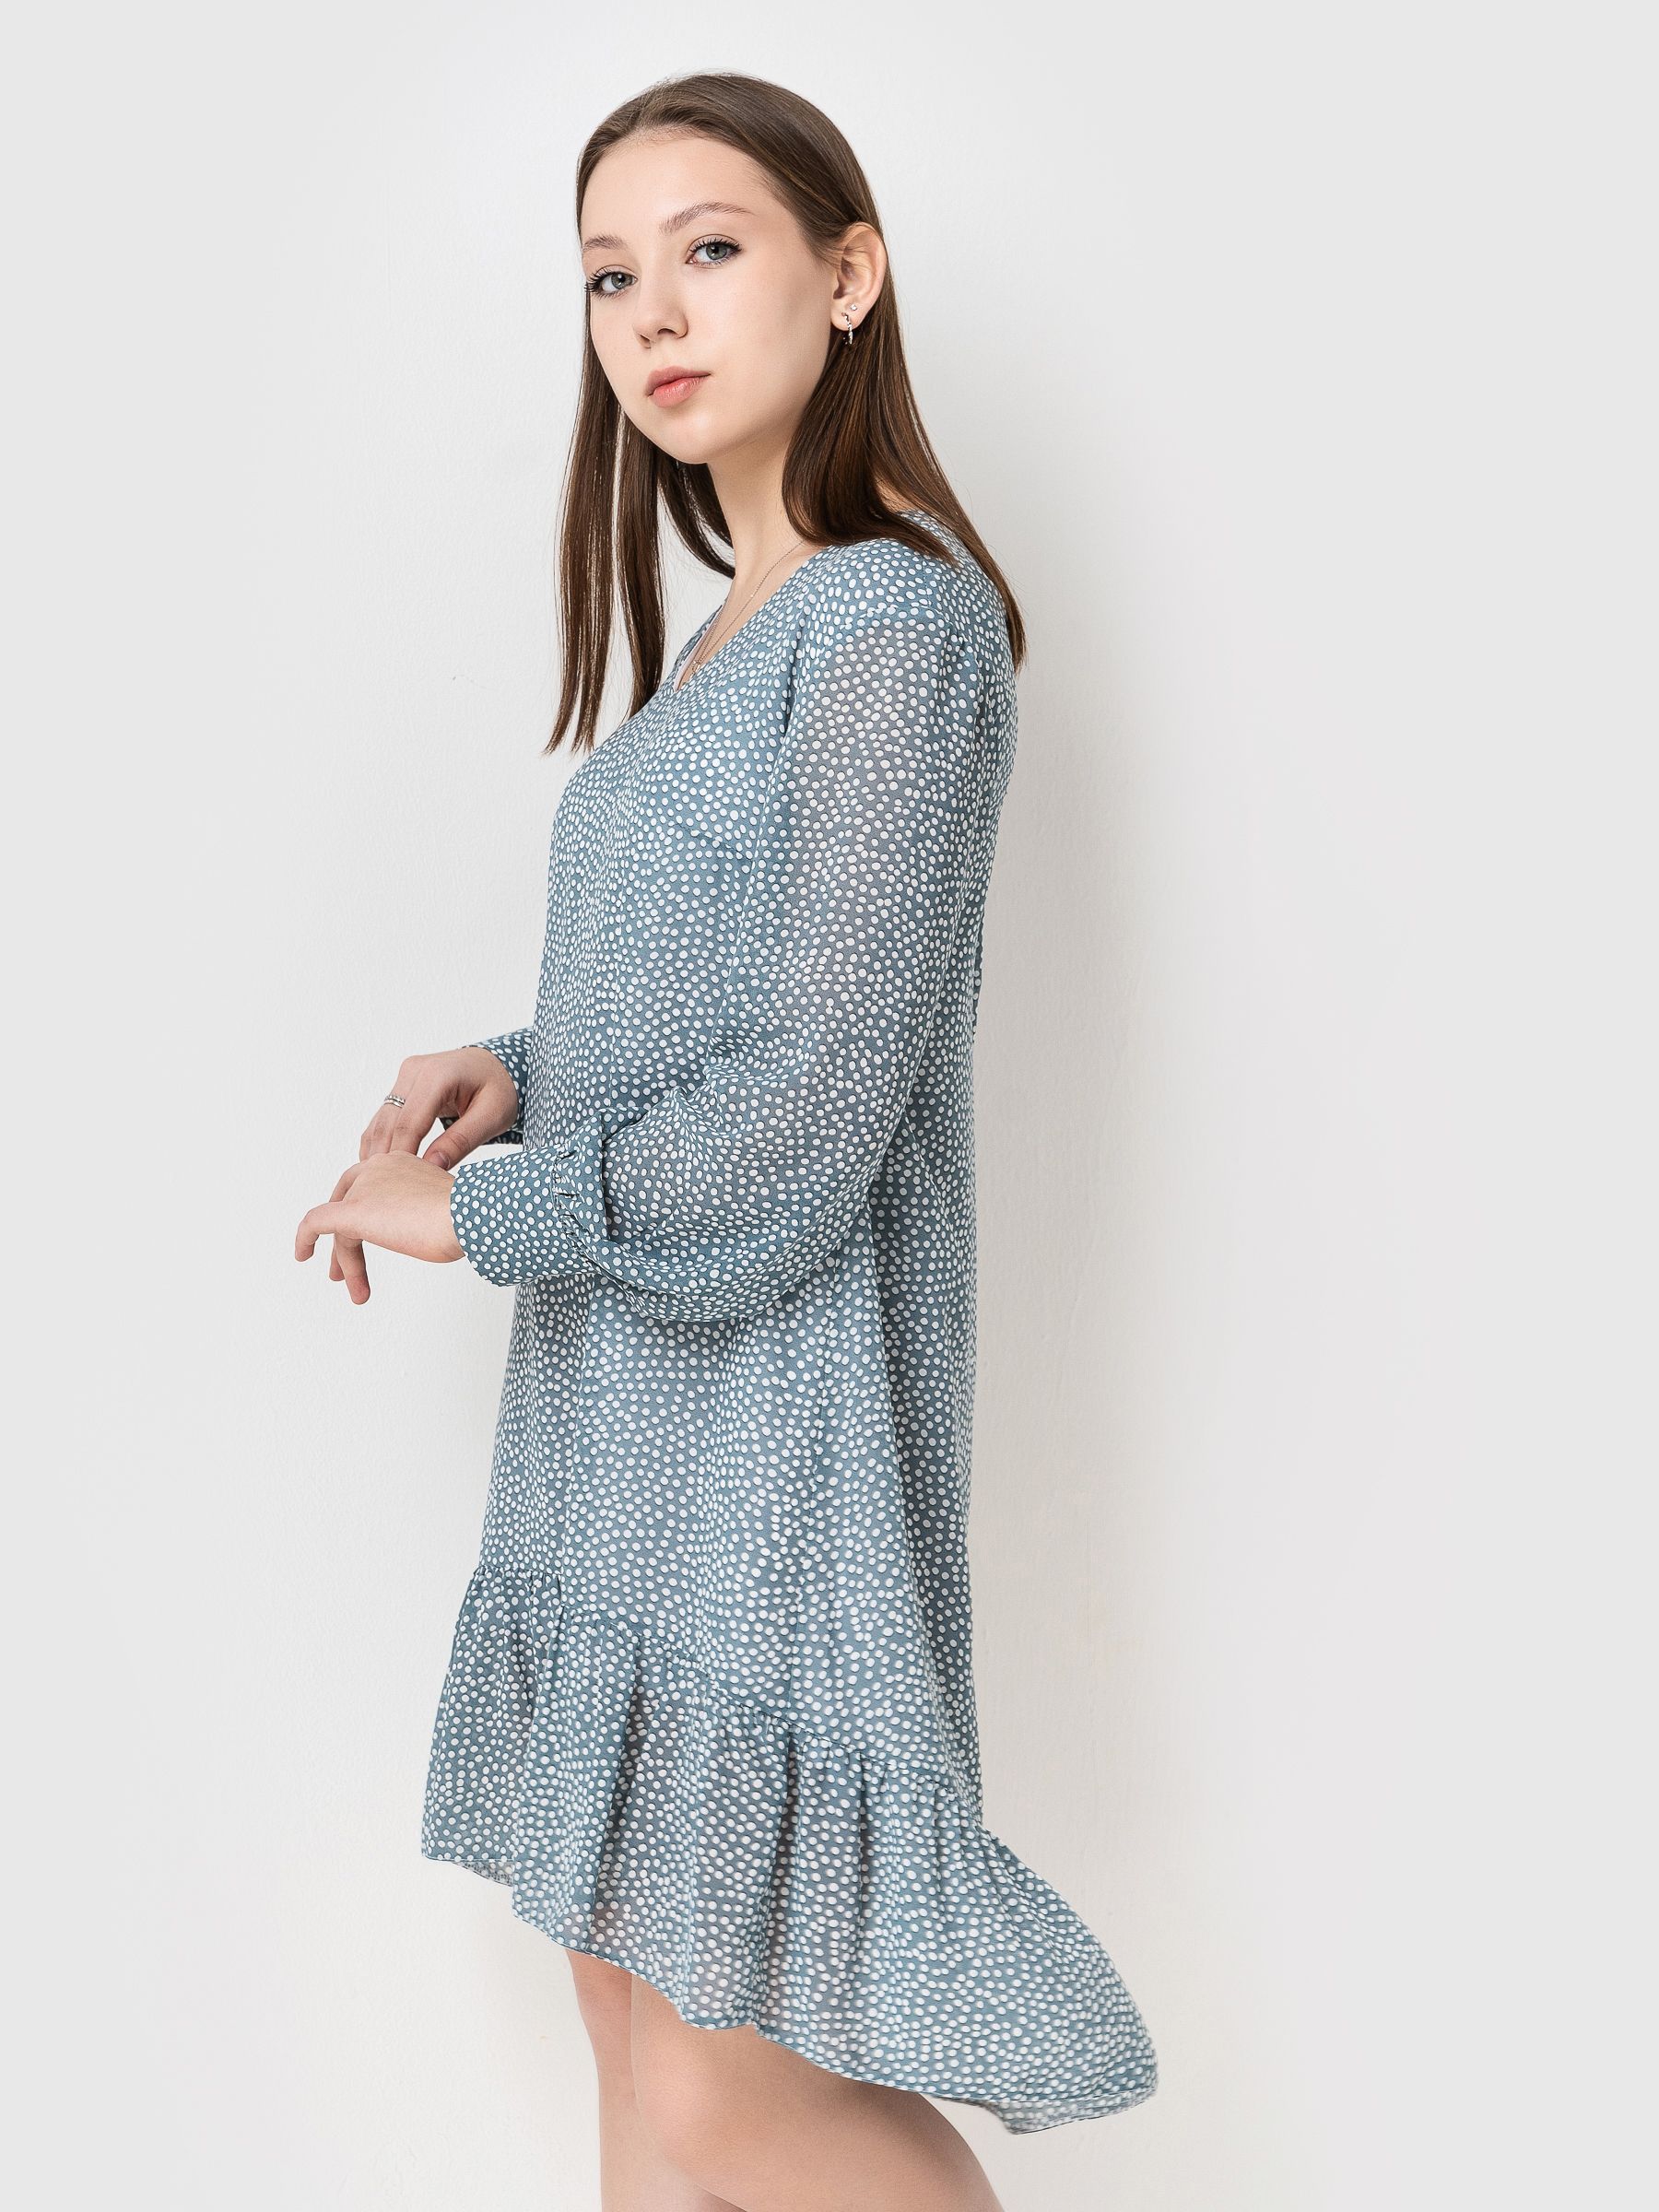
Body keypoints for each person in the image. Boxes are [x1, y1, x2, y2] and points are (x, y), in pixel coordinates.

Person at [295, 69, 1156, 2212]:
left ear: (849, 275)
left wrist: (487, 1211)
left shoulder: (896, 621)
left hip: (770, 1443)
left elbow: (809, 1105)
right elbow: (735, 996)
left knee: (721, 2072)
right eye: (609, 275)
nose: (653, 314)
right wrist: (522, 1062)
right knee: (632, 2024)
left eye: (710, 248)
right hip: (624, 1417)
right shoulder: (737, 632)